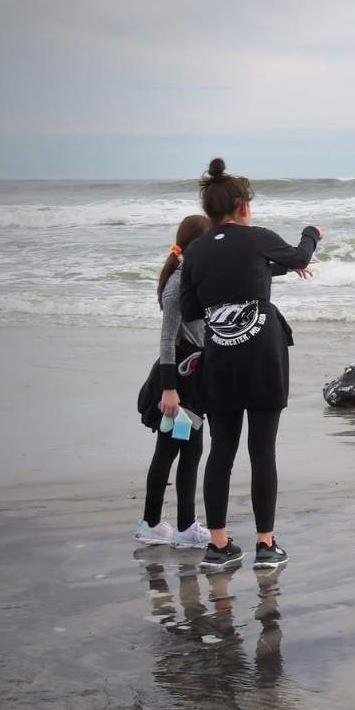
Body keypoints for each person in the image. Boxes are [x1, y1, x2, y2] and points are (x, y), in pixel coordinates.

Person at [179, 158, 324, 570]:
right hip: (262, 355)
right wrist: (312, 235)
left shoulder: (196, 251)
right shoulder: (258, 237)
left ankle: (219, 546)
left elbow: (191, 310)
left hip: (220, 358)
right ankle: (265, 544)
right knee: (262, 449)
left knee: (221, 450)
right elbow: (299, 256)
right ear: (244, 206)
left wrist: (257, 275)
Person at [135, 215, 214, 548]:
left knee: (191, 452)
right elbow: (167, 339)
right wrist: (169, 390)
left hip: (193, 378)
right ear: (196, 244)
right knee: (167, 453)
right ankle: (154, 524)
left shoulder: (193, 278)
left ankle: (180, 526)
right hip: (177, 382)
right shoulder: (177, 284)